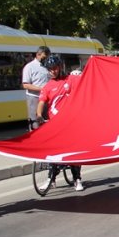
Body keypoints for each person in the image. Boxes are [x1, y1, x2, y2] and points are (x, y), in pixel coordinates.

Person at [36, 54, 85, 192]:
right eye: (50, 69)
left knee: (73, 152)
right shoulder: (47, 87)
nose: (53, 71)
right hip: (55, 124)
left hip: (70, 122)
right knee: (53, 151)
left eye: (55, 68)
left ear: (60, 67)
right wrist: (39, 115)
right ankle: (51, 179)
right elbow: (41, 102)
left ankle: (77, 179)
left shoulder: (70, 79)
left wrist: (79, 74)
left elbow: (83, 82)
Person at [22, 45, 51, 130]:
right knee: (35, 123)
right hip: (34, 98)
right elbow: (25, 85)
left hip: (47, 99)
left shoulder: (47, 66)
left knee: (46, 123)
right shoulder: (29, 67)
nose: (46, 59)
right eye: (44, 57)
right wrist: (42, 89)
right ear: (38, 54)